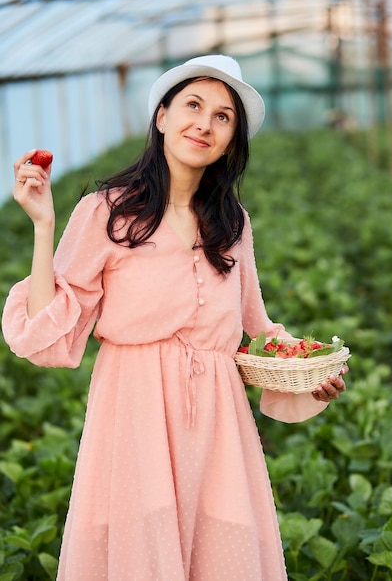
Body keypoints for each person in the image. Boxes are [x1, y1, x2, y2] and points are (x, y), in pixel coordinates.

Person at [2, 55, 347, 581]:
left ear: (232, 140)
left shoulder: (233, 224)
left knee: (222, 548)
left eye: (223, 117)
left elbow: (259, 330)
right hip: (134, 410)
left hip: (217, 419)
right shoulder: (107, 211)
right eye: (192, 105)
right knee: (144, 548)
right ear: (161, 116)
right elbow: (50, 329)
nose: (204, 124)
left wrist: (308, 372)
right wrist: (43, 227)